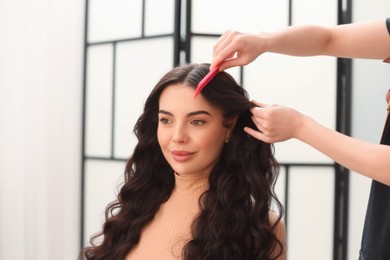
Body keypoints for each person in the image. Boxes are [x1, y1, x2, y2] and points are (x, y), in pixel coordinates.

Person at [211, 18, 390, 260]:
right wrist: (263, 40)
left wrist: (300, 126)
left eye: (197, 120)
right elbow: (329, 39)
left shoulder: (262, 227)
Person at [80, 63, 286, 260]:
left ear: (229, 127)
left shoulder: (258, 227)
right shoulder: (135, 209)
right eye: (166, 120)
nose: (178, 137)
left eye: (197, 121)